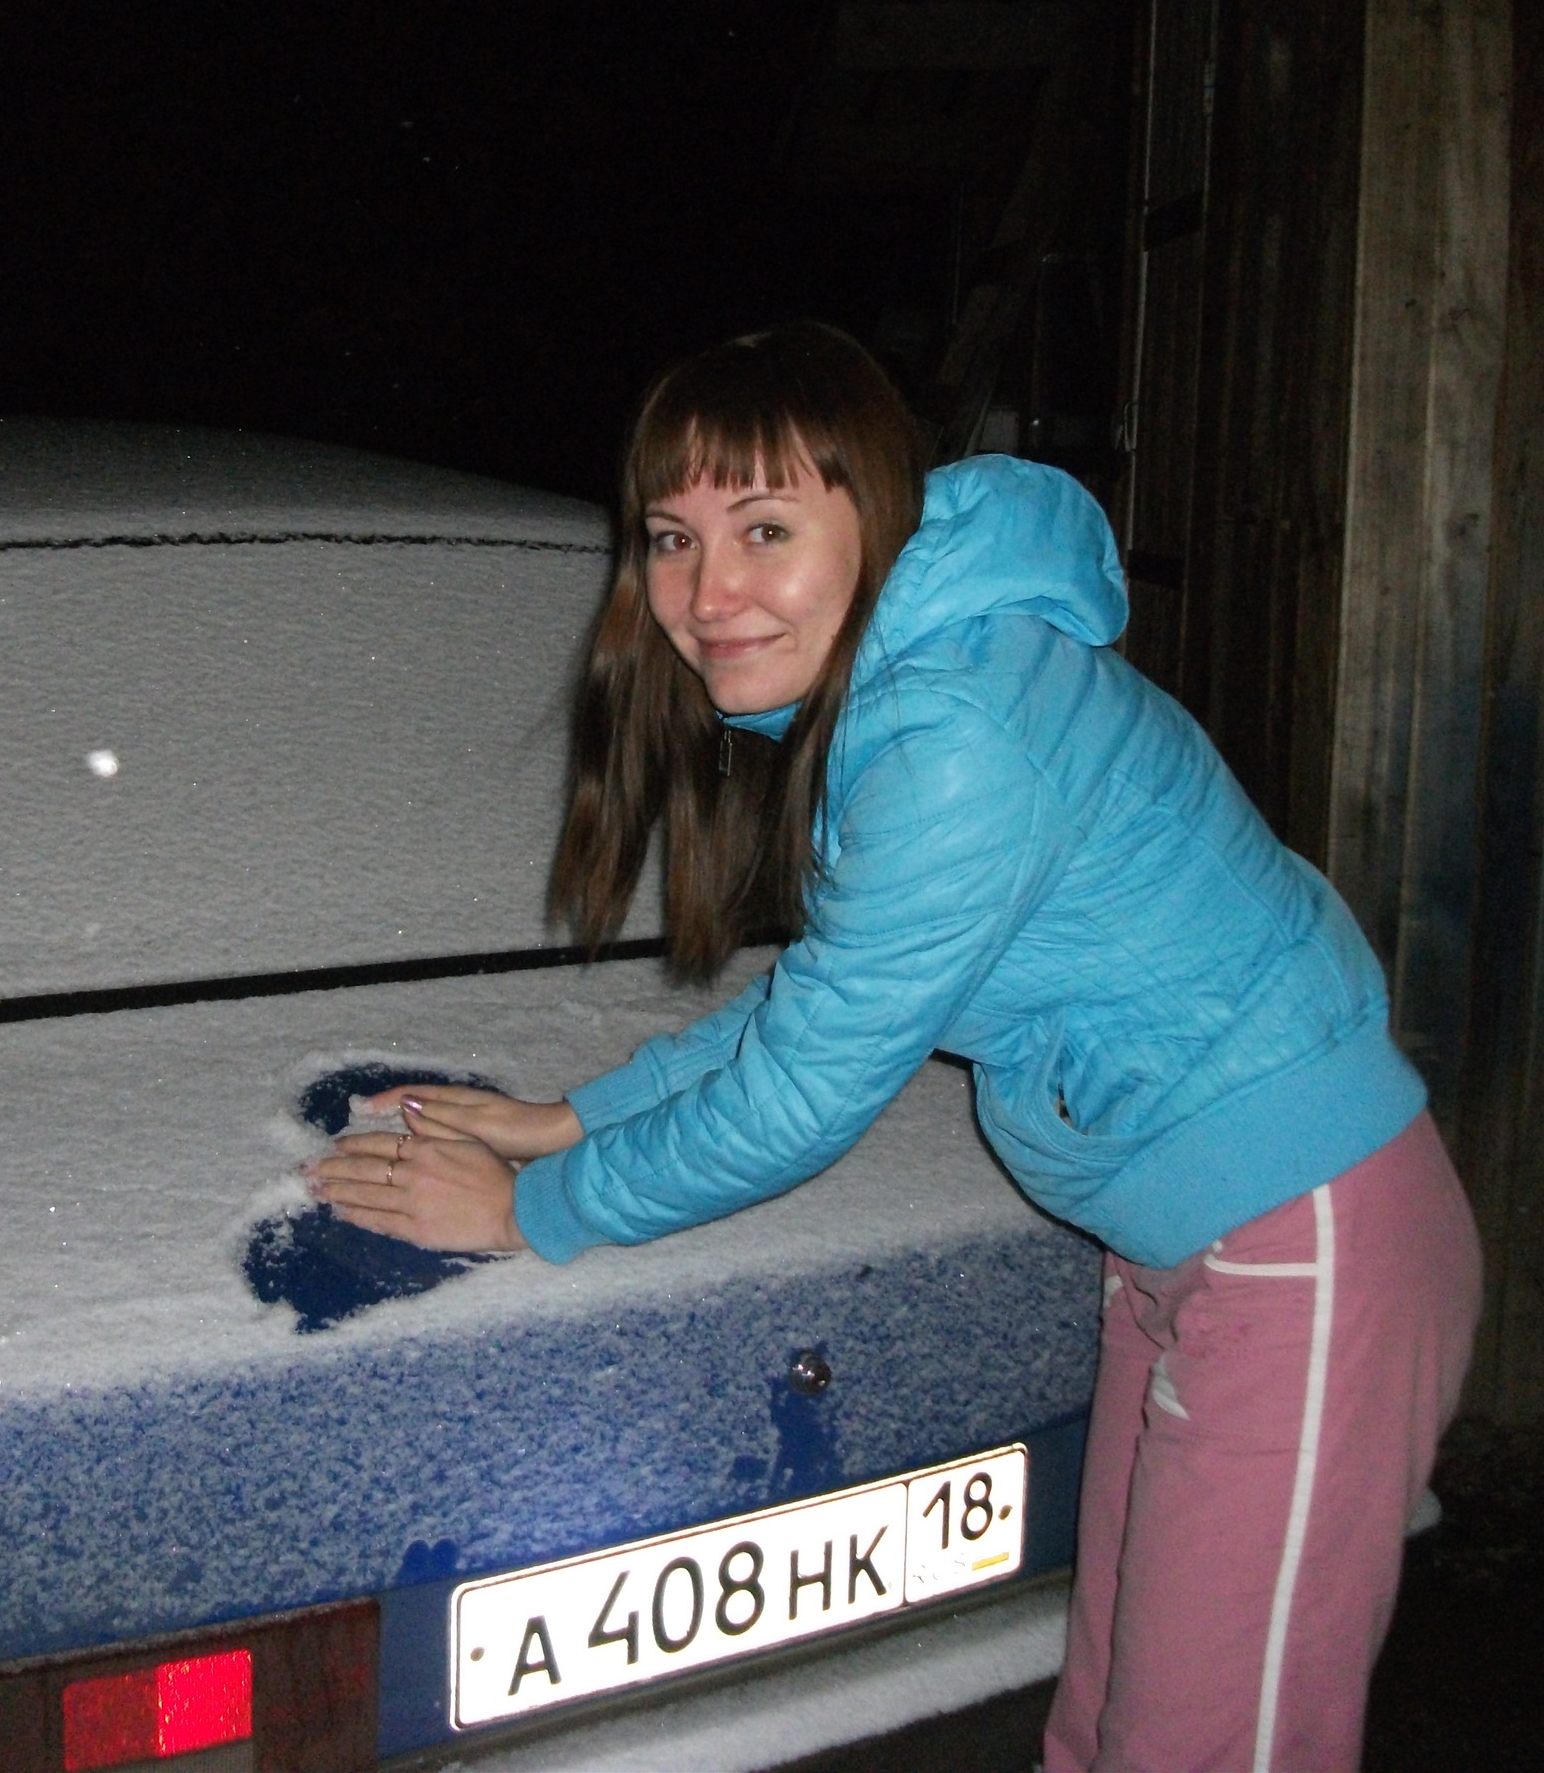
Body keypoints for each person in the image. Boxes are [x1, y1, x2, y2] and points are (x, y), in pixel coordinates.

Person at [306, 320, 1481, 1773]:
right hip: (1196, 1240)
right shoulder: (915, 681)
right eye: (673, 538)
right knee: (1110, 1718)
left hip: (1298, 1241)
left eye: (766, 529)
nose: (707, 594)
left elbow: (803, 1094)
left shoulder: (953, 739)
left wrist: (532, 1211)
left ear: (878, 520)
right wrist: (573, 1115)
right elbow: (822, 1001)